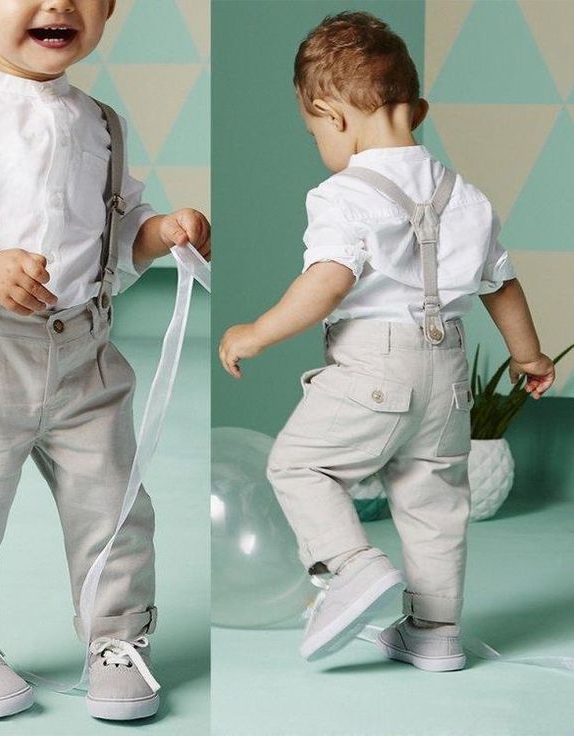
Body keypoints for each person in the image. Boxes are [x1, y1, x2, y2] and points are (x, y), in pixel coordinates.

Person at [0, 0, 210, 721]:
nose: (58, 2)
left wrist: (159, 233)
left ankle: (116, 639)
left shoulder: (101, 124)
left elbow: (116, 231)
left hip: (86, 353)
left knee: (114, 507)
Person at [218, 10, 554, 673]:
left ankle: (350, 568)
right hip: (448, 372)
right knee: (433, 503)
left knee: (298, 465)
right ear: (412, 105)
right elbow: (501, 286)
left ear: (332, 115)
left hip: (377, 364)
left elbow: (328, 283)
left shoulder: (343, 194)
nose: (318, 141)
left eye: (314, 129)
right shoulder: (469, 197)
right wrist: (527, 356)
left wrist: (254, 332)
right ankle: (434, 632)